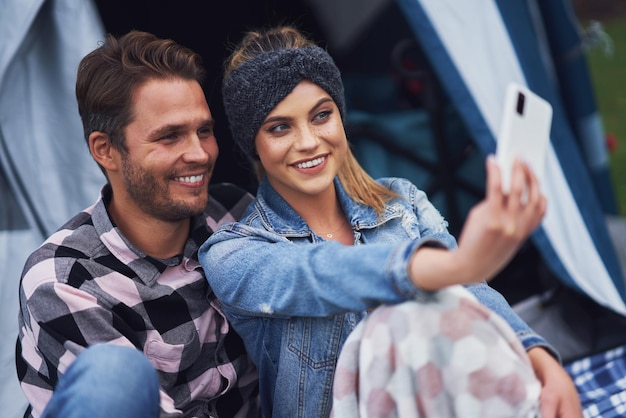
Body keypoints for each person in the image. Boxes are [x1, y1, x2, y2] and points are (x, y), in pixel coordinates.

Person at [198, 25, 582, 417]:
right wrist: (455, 265)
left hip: (441, 402)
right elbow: (318, 274)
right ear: (254, 144)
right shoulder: (233, 252)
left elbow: (473, 297)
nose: (309, 141)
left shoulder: (403, 201)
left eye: (321, 116)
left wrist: (541, 358)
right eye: (280, 127)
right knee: (402, 317)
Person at [16, 30, 260, 418]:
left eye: (204, 131)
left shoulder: (238, 213)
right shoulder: (63, 278)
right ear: (105, 149)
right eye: (170, 136)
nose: (199, 154)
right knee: (117, 376)